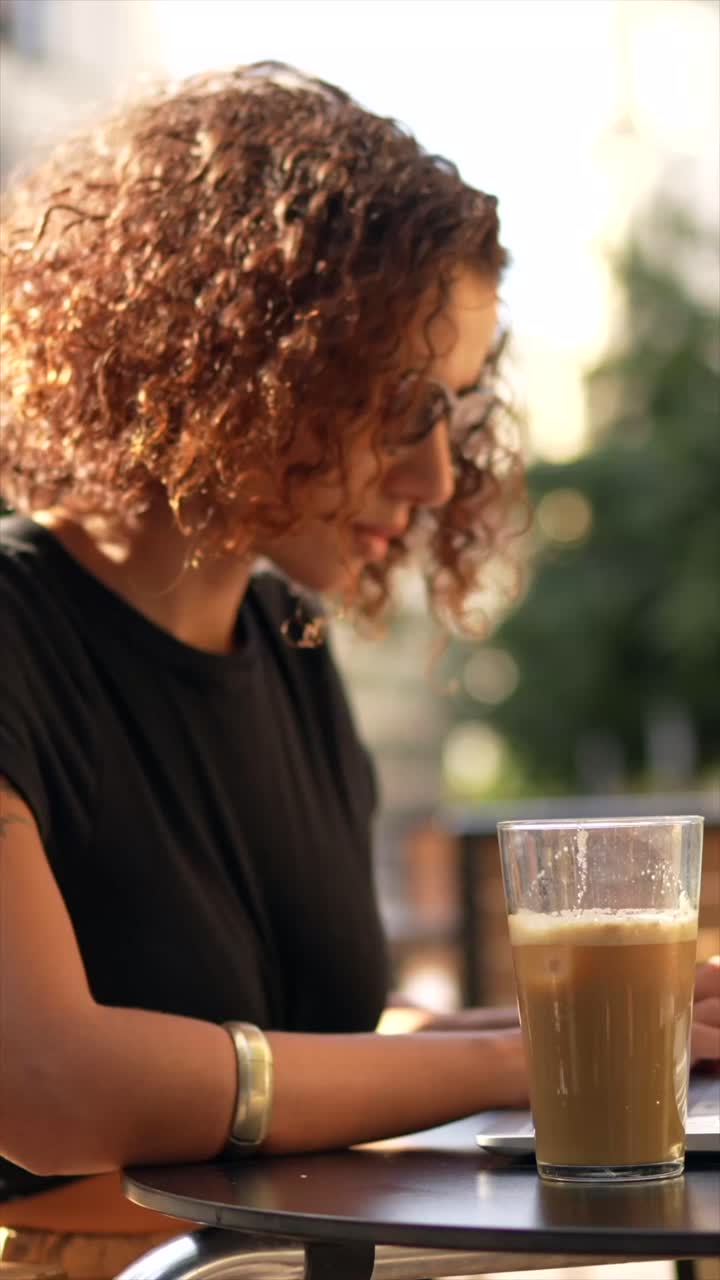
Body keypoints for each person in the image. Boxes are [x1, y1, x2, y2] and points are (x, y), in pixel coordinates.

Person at [1, 62, 718, 1279]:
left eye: (456, 410)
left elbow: (300, 1045)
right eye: (400, 408)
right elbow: (49, 1082)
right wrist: (535, 1050)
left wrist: (648, 1024)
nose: (440, 478)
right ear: (238, 359)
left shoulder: (290, 647)